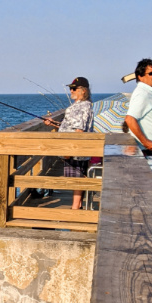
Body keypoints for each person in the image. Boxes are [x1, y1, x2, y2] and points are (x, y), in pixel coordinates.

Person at [44, 76, 94, 209]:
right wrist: (56, 125)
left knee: (76, 178)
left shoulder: (82, 106)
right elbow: (72, 126)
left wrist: (68, 151)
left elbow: (79, 130)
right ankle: (77, 206)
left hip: (75, 150)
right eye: (71, 89)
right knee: (77, 177)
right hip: (75, 149)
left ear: (83, 91)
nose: (71, 91)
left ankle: (75, 208)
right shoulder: (82, 106)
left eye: (74, 89)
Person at [125, 59, 152, 154]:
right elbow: (130, 119)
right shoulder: (142, 93)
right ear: (140, 77)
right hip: (148, 149)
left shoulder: (148, 92)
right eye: (151, 73)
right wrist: (146, 142)